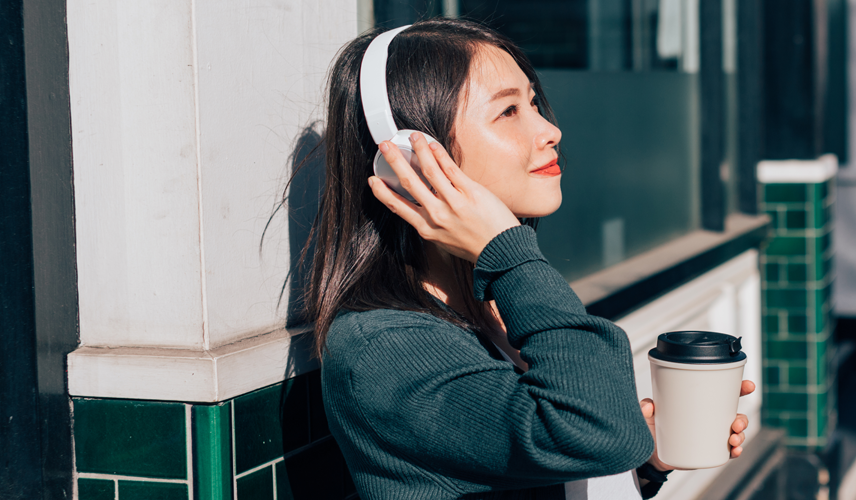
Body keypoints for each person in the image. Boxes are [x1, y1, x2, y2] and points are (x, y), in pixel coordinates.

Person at [298, 18, 754, 499]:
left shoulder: (490, 310)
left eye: (533, 103)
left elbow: (545, 465)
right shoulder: (383, 350)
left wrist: (643, 460)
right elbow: (596, 428)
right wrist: (507, 249)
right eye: (508, 112)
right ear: (410, 162)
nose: (550, 130)